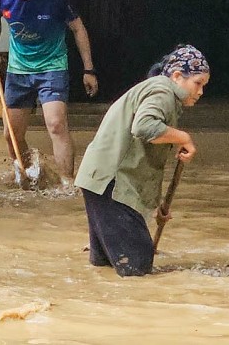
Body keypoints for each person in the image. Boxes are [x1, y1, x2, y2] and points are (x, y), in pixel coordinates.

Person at [74, 44, 210, 277]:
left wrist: (155, 205)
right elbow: (145, 127)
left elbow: (141, 157)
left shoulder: (157, 91)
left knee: (107, 268)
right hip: (112, 186)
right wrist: (183, 137)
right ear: (177, 76)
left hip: (99, 181)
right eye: (198, 83)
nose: (200, 92)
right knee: (138, 271)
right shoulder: (163, 92)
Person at [0, 0, 98, 185]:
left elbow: (78, 28)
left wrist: (88, 69)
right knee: (11, 134)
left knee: (56, 125)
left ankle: (67, 183)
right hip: (18, 70)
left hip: (52, 67)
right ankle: (27, 174)